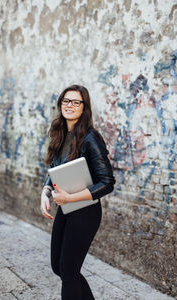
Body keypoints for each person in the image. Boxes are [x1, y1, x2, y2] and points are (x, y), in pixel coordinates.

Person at [40, 84, 116, 300]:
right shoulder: (61, 133)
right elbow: (55, 168)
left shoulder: (91, 138)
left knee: (69, 271)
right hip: (67, 208)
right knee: (59, 267)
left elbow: (107, 182)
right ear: (60, 104)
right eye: (66, 101)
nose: (70, 105)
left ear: (84, 107)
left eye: (76, 102)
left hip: (85, 212)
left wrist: (70, 197)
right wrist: (45, 191)